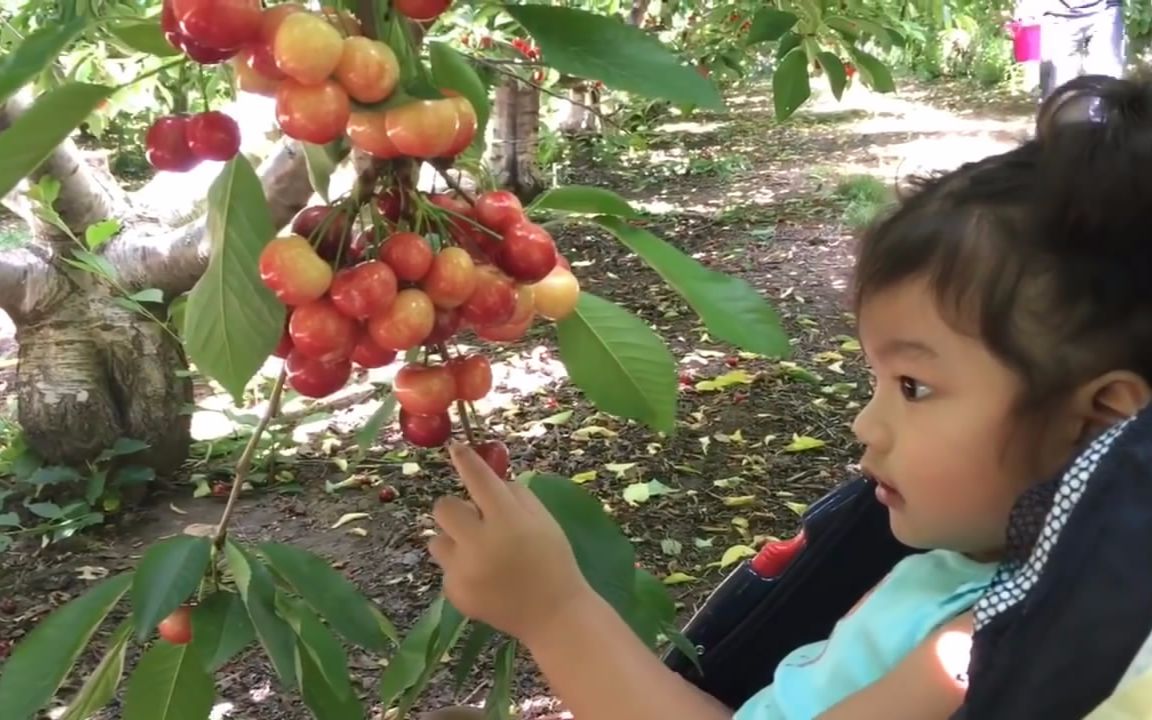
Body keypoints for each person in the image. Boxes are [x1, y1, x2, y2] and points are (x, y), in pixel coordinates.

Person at [425, 74, 1152, 720]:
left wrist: (555, 611)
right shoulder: (975, 571)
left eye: (915, 386)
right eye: (878, 382)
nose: (866, 424)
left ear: (1102, 422)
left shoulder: (983, 654)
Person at [1017, 0, 1127, 98]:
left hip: (1105, 9)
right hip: (1058, 14)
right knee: (1061, 87)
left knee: (1109, 83)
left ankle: (1106, 118)